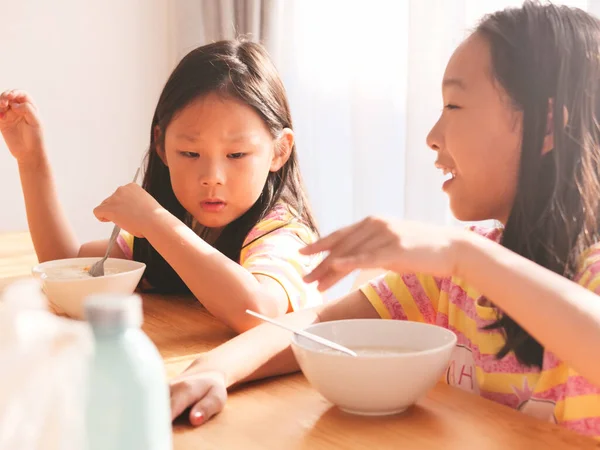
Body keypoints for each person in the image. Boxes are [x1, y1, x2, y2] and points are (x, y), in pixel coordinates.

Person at [169, 3, 600, 439]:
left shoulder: (477, 261)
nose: (432, 136)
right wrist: (214, 370)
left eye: (454, 105)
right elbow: (318, 326)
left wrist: (463, 254)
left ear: (545, 126)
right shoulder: (456, 276)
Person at [0, 40, 323, 332]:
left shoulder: (283, 235)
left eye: (236, 154)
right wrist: (31, 160)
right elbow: (67, 266)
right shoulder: (181, 223)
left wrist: (155, 220)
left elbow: (257, 312)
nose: (212, 176)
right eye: (190, 153)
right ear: (161, 144)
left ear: (279, 151)